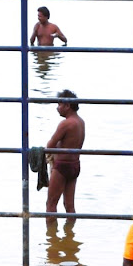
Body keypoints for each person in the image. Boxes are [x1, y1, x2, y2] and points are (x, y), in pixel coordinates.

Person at [45, 89, 85, 224]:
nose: (57, 108)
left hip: (62, 166)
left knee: (51, 204)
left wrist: (43, 153)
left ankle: (51, 239)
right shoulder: (80, 122)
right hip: (74, 165)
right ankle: (70, 236)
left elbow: (50, 144)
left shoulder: (65, 124)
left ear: (67, 106)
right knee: (70, 206)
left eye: (59, 104)